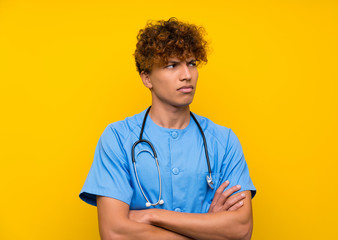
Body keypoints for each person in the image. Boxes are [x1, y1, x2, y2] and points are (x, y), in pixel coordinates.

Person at [80, 17, 256, 240]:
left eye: (191, 63)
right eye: (172, 65)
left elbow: (241, 231)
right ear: (147, 78)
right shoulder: (117, 138)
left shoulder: (224, 141)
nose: (187, 75)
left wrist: (153, 215)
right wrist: (207, 229)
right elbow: (115, 233)